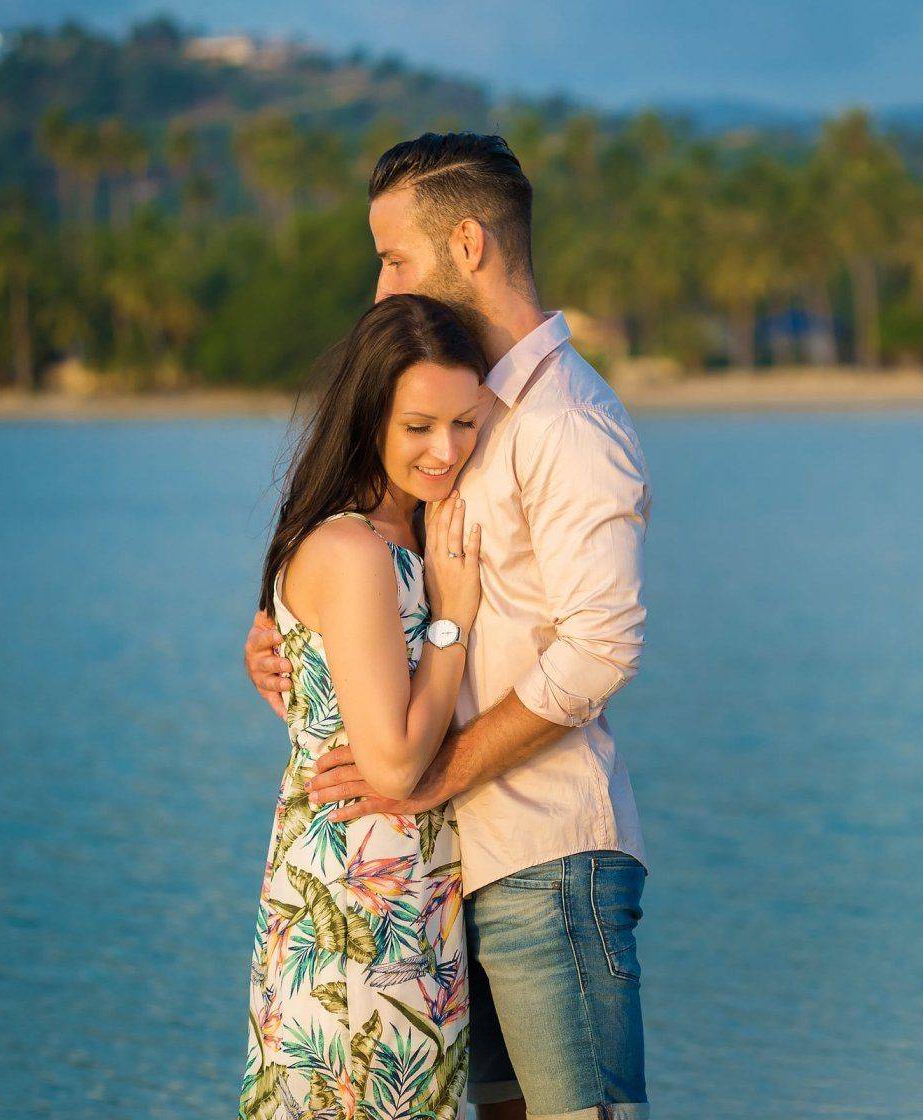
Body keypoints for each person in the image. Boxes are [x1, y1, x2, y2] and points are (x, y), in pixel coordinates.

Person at [243, 133, 653, 1120]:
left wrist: (434, 773)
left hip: (547, 852)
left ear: (467, 245)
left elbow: (602, 647)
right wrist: (288, 634)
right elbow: (374, 571)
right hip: (450, 870)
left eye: (394, 258)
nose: (380, 288)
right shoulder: (468, 408)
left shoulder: (564, 422)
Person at [240, 293, 487, 1120]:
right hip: (356, 913)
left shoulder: (411, 532)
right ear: (370, 415)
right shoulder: (353, 548)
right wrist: (452, 620)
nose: (445, 450)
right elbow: (394, 763)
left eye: (464, 423)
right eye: (418, 426)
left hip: (410, 905)